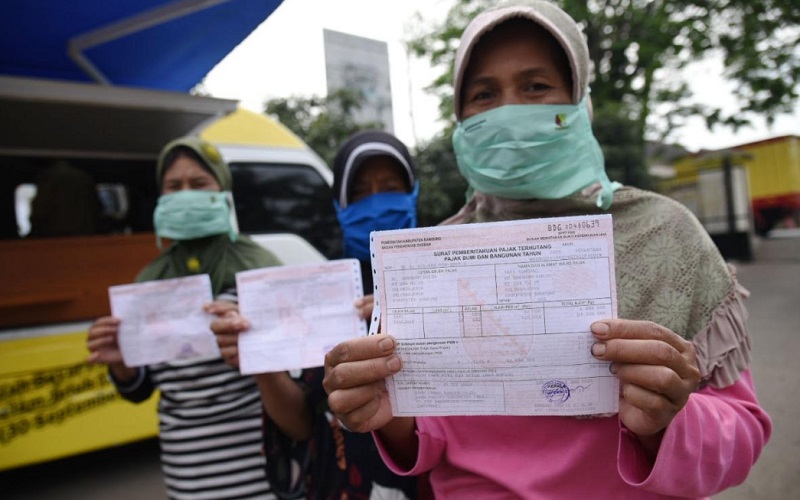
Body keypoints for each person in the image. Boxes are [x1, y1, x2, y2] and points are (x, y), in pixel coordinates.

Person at [322, 1, 773, 498]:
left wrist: (667, 420)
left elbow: (740, 434)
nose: (510, 110)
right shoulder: (435, 258)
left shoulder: (667, 234)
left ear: (579, 100)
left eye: (536, 87)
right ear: (460, 115)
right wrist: (388, 418)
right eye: (483, 94)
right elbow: (430, 440)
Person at [208, 130, 428, 500]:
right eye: (360, 192)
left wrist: (415, 313)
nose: (376, 201)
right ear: (340, 205)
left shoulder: (447, 284)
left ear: (413, 193)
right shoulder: (321, 297)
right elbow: (301, 425)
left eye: (391, 187)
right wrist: (262, 360)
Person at [86, 136, 281, 500]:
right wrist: (123, 366)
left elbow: (293, 372)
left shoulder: (261, 269)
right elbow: (142, 389)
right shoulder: (149, 281)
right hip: (187, 475)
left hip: (260, 470)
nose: (185, 194)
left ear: (222, 190)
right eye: (174, 186)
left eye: (199, 183)